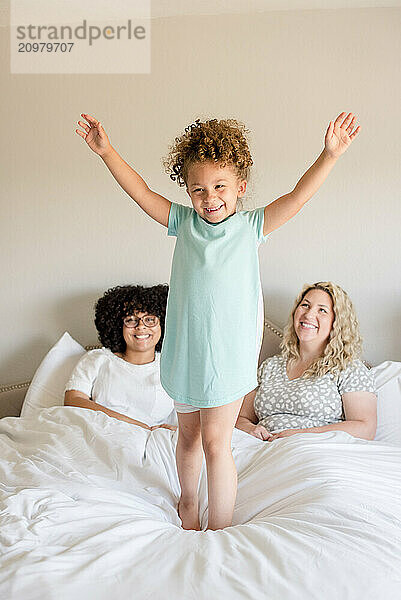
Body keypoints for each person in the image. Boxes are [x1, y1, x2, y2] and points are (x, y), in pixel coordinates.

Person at [75, 111, 361, 531]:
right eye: (198, 189)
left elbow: (298, 197)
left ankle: (220, 528)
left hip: (227, 361)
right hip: (185, 354)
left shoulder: (251, 226)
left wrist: (329, 155)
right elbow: (141, 191)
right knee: (187, 438)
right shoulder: (184, 222)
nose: (209, 198)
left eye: (219, 187)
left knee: (216, 443)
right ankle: (188, 505)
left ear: (240, 187)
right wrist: (106, 151)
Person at [236, 282, 377, 442]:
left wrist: (301, 434)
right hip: (262, 448)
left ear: (336, 323)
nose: (309, 315)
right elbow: (241, 419)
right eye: (305, 305)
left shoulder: (348, 368)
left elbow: (365, 428)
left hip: (314, 451)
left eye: (322, 310)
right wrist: (252, 429)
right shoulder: (269, 366)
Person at [64, 284, 177, 432]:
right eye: (131, 320)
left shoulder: (174, 368)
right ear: (118, 325)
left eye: (150, 320)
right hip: (93, 433)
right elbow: (73, 400)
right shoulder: (98, 359)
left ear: (162, 324)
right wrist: (140, 426)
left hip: (148, 443)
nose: (141, 327)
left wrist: (174, 430)